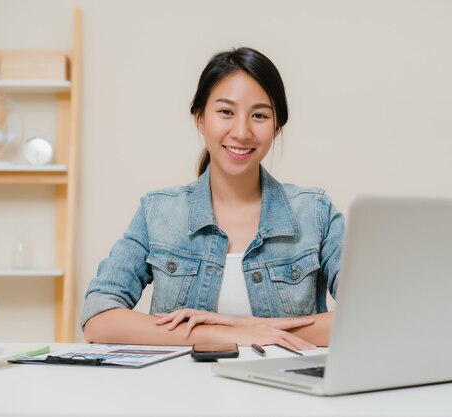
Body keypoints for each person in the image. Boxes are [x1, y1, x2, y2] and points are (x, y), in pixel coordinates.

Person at [82, 47, 344, 350]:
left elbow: (371, 314)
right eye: (226, 112)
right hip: (181, 394)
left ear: (276, 126)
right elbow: (98, 317)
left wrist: (252, 328)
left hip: (286, 394)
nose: (242, 131)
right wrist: (219, 334)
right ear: (200, 119)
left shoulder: (315, 211)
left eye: (259, 115)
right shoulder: (158, 212)